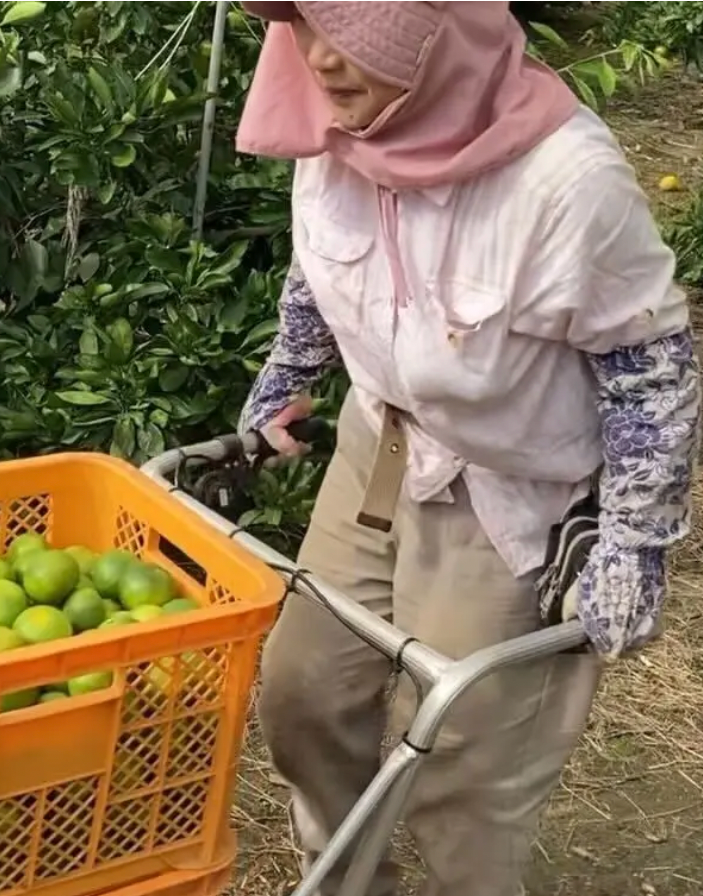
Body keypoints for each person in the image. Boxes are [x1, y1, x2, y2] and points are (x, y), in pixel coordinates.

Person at [235, 3, 700, 896]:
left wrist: (636, 542)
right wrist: (292, 368)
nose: (321, 60)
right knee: (303, 696)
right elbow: (322, 263)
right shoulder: (338, 125)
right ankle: (346, 879)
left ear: (438, 31)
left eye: (352, 32)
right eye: (301, 24)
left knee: (460, 767)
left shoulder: (563, 182)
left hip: (509, 489)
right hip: (382, 446)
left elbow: (649, 365)